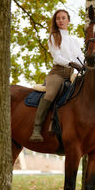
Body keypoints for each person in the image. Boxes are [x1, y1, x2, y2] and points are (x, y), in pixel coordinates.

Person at [30, 9, 84, 142]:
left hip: (72, 73)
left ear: (68, 21)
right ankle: (36, 129)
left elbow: (81, 57)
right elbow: (57, 57)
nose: (61, 20)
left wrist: (86, 65)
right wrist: (72, 63)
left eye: (63, 18)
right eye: (58, 18)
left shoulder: (74, 41)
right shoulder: (54, 37)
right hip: (57, 73)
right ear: (55, 21)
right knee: (50, 93)